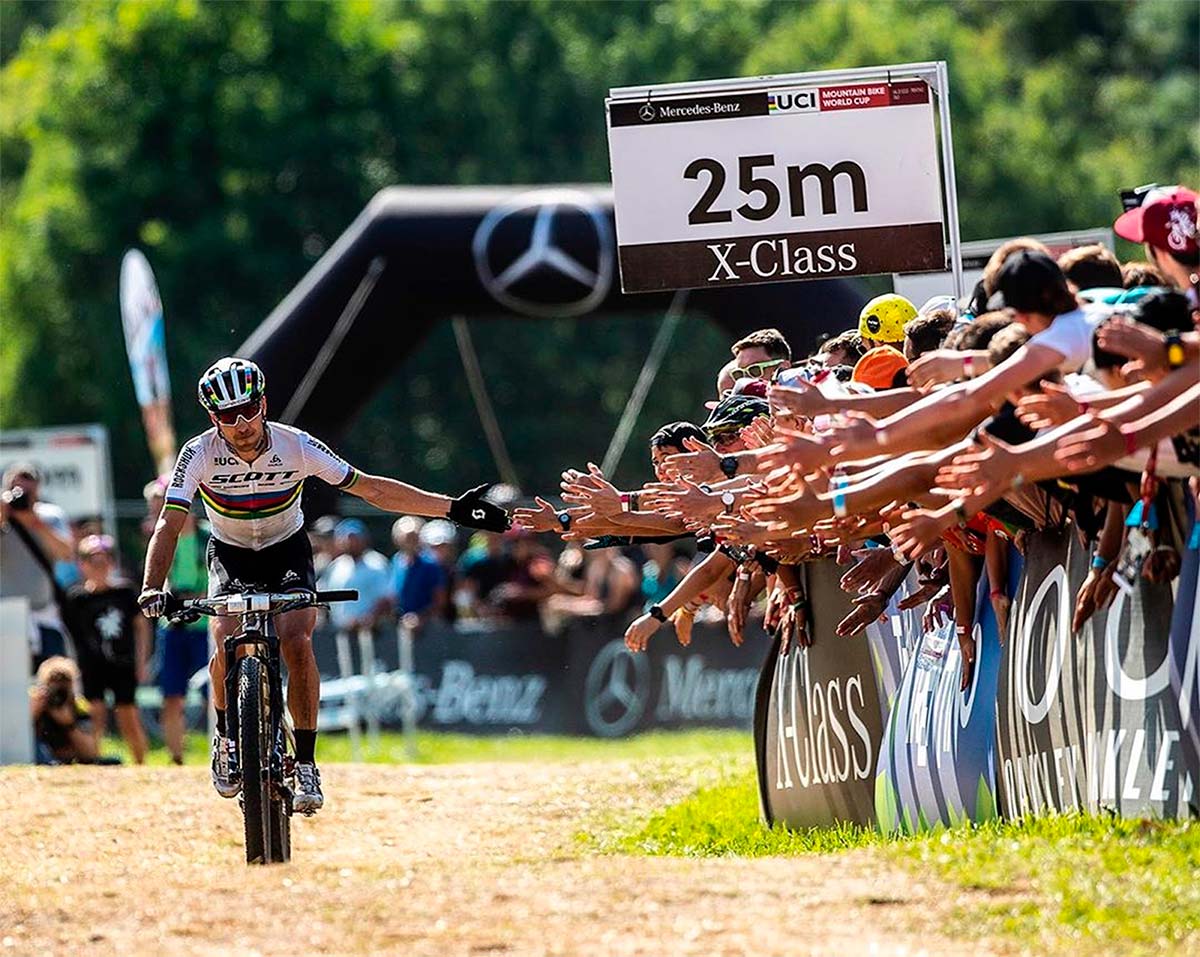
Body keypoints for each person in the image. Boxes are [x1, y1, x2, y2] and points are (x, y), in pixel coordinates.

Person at [138, 357, 510, 813]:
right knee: (225, 637)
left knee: (297, 641)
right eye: (226, 416)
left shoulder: (297, 446)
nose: (240, 424)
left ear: (263, 403)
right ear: (213, 419)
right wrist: (152, 586)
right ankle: (226, 737)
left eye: (249, 409)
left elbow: (371, 489)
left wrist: (451, 508)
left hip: (286, 548)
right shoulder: (197, 453)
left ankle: (308, 762)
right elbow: (169, 525)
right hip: (230, 553)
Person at [63, 534, 150, 763]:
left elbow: (141, 627)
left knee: (128, 715)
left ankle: (140, 763)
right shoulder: (76, 599)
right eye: (93, 561)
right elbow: (71, 635)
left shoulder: (124, 593)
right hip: (91, 664)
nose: (99, 567)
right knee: (95, 714)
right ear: (82, 565)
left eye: (104, 561)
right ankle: (94, 759)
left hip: (123, 663)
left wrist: (141, 662)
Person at [143, 475, 210, 765]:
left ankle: (226, 750)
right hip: (173, 626)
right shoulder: (158, 539)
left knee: (216, 692)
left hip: (206, 625)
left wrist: (196, 595)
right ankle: (176, 758)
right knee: (171, 695)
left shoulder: (209, 536)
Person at [0, 462, 75, 670]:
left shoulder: (50, 516)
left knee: (53, 679)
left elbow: (67, 554)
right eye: (16, 491)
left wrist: (35, 522)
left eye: (27, 491)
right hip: (6, 616)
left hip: (45, 615)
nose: (21, 497)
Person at [318, 519, 393, 634]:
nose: (350, 542)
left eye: (354, 538)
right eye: (346, 538)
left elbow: (386, 598)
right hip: (340, 632)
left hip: (371, 632)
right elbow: (323, 594)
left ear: (364, 539)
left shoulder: (376, 563)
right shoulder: (337, 565)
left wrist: (367, 619)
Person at [31, 656, 98, 765]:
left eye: (65, 682)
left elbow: (90, 753)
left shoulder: (79, 708)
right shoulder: (35, 704)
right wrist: (33, 714)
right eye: (53, 681)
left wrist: (69, 725)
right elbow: (16, 739)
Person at [389, 516, 447, 629]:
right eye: (406, 538)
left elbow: (440, 599)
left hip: (428, 626)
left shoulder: (431, 563)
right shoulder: (396, 561)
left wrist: (421, 618)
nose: (409, 542)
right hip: (403, 625)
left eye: (413, 538)